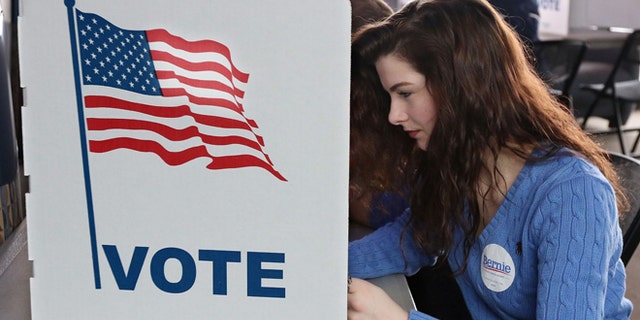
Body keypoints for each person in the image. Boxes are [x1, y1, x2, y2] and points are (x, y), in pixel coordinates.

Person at [347, 0, 634, 319]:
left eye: (405, 93)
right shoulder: (460, 165)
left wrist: (400, 318)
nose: (394, 116)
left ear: (463, 88)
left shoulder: (572, 194)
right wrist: (316, 263)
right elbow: (406, 242)